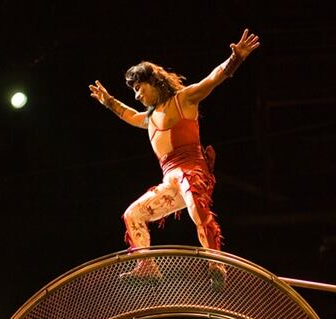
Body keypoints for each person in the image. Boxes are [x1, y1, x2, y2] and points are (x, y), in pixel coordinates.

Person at [89, 28, 260, 281]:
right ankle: (147, 267)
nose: (137, 95)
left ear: (154, 81)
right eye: (134, 91)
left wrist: (235, 58)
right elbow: (130, 115)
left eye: (139, 87)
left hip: (192, 173)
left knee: (194, 205)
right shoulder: (149, 118)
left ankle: (216, 265)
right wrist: (110, 102)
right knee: (132, 214)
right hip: (171, 182)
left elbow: (212, 79)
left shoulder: (184, 100)